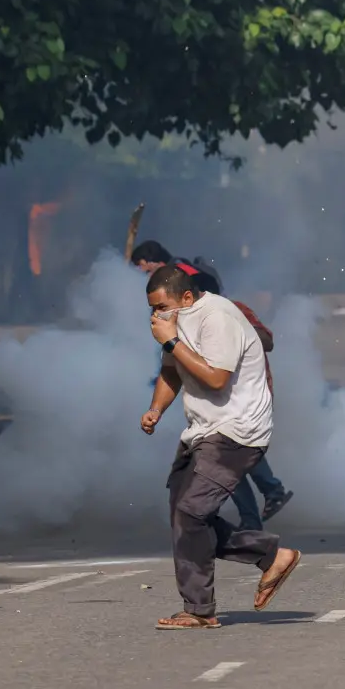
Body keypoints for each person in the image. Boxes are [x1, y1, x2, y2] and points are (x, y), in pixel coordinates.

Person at [141, 264, 301, 630]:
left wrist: (170, 340)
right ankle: (271, 556)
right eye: (151, 309)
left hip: (238, 430)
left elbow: (215, 379)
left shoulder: (218, 318)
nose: (156, 315)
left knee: (191, 513)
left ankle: (199, 610)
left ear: (186, 297)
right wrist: (155, 410)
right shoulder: (177, 323)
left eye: (161, 307)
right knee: (185, 519)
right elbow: (171, 370)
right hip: (204, 429)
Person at [182, 264, 294, 527]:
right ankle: (253, 516)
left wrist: (236, 329)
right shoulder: (191, 321)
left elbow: (267, 341)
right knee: (226, 462)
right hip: (219, 400)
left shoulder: (234, 311)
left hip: (247, 396)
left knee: (235, 452)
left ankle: (269, 494)